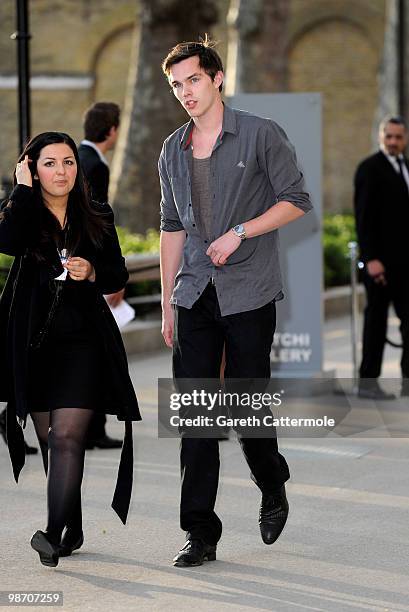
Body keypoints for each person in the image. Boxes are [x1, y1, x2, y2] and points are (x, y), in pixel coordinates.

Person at [159, 38, 312, 567]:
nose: (186, 92)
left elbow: (296, 200)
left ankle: (271, 478)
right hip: (194, 293)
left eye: (193, 80)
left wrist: (240, 232)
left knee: (247, 410)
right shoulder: (171, 149)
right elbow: (172, 227)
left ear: (217, 78)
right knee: (196, 418)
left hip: (248, 291)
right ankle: (200, 532)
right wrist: (166, 303)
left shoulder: (260, 133)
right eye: (177, 85)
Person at [0, 132, 140, 567]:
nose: (61, 171)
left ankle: (52, 533)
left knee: (66, 437)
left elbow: (117, 274)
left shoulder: (95, 211)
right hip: (33, 343)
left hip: (83, 341)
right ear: (32, 168)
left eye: (68, 162)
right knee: (48, 441)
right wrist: (22, 190)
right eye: (49, 163)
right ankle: (72, 527)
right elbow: (5, 243)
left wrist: (93, 269)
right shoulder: (23, 210)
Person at [78, 101, 124, 449]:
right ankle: (93, 429)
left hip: (78, 270)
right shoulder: (95, 165)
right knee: (93, 351)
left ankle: (93, 428)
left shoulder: (78, 157)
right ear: (111, 130)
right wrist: (105, 275)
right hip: (87, 274)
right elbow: (96, 226)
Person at [354, 116, 409, 400]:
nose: (393, 141)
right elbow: (363, 219)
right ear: (380, 136)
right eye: (389, 136)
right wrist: (371, 258)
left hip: (406, 266)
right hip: (380, 266)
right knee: (375, 324)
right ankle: (368, 384)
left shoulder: (406, 167)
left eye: (398, 137)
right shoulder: (369, 169)